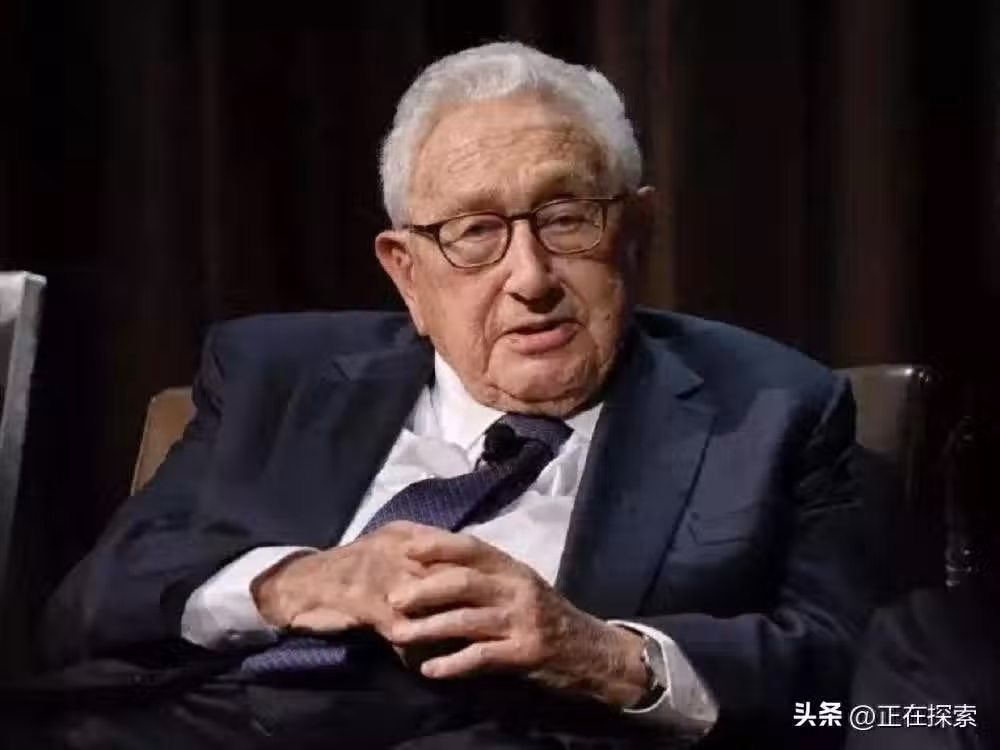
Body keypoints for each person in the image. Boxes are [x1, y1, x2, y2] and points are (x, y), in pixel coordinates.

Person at [9, 42, 871, 749]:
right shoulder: (274, 374)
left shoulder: (771, 410)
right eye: (474, 233)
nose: (529, 277)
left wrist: (603, 654)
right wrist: (294, 582)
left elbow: (865, 696)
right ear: (406, 273)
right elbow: (90, 609)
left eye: (566, 219)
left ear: (636, 232)